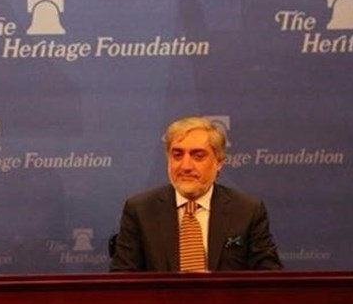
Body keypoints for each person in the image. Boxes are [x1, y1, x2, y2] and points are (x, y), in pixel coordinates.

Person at [110, 116, 281, 272]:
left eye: (198, 156)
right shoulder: (140, 210)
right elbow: (122, 279)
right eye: (177, 155)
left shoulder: (247, 211)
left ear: (219, 162)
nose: (186, 166)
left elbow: (269, 277)